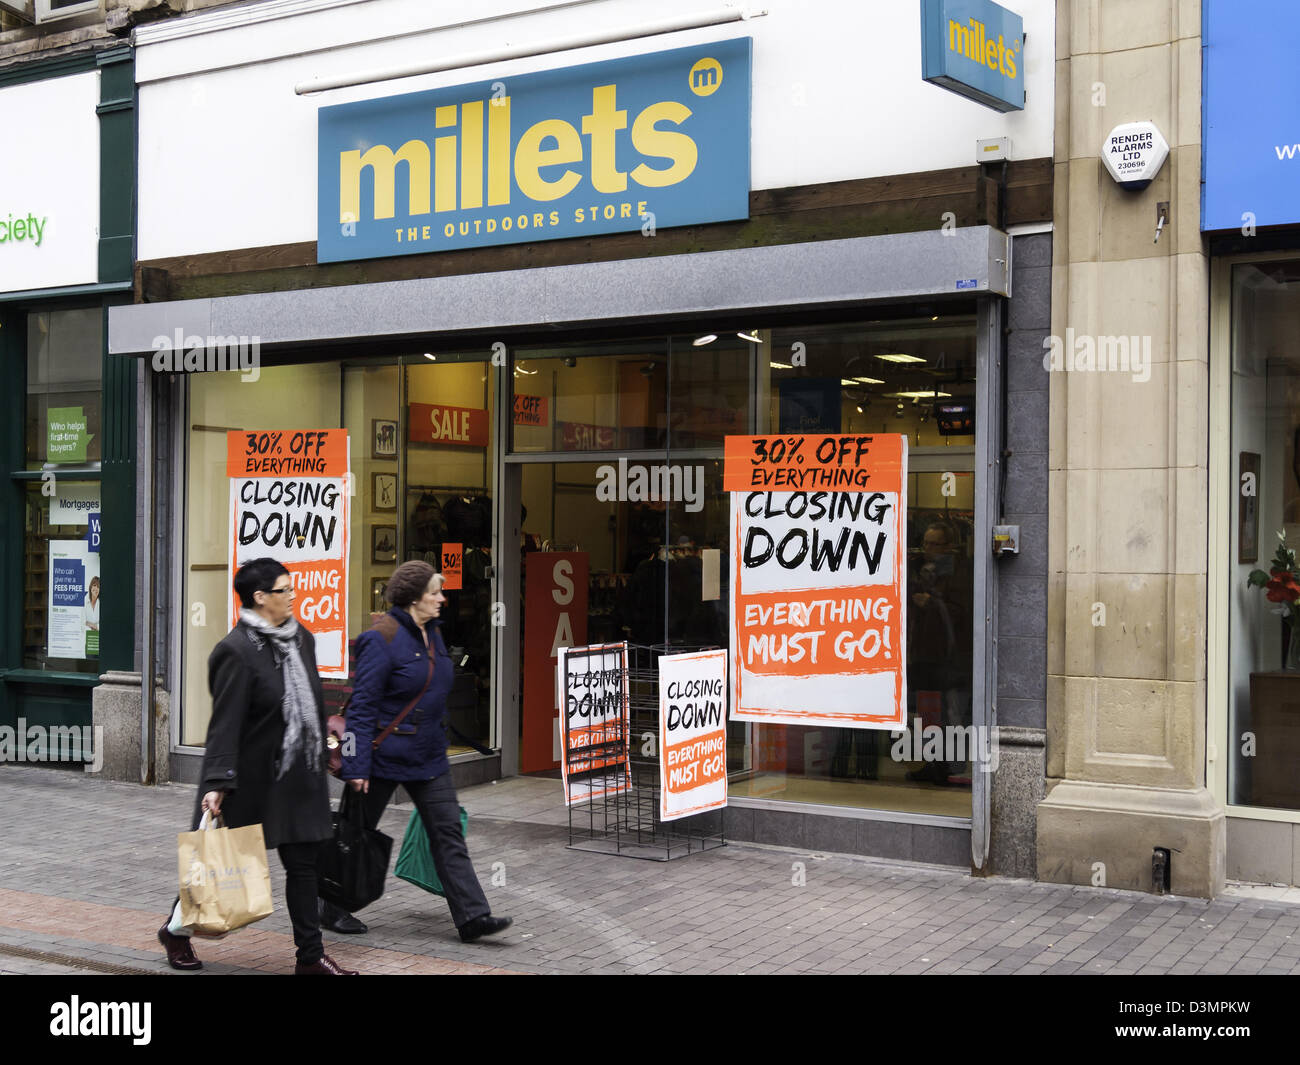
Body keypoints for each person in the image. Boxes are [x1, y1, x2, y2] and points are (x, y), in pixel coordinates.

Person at [157, 557, 357, 975]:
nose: (293, 595)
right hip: (250, 779)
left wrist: (326, 749)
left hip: (298, 775)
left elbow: (313, 701)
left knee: (304, 864)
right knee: (218, 862)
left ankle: (310, 958)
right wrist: (216, 782)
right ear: (260, 597)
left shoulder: (300, 637)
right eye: (285, 589)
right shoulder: (235, 651)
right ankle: (177, 929)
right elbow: (224, 724)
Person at [325, 560, 510, 944]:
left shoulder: (434, 634)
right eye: (434, 593)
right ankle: (331, 906)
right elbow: (361, 708)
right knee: (355, 833)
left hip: (428, 758)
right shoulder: (383, 637)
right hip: (381, 758)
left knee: (447, 834)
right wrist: (356, 765)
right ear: (413, 598)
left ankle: (473, 916)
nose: (442, 599)